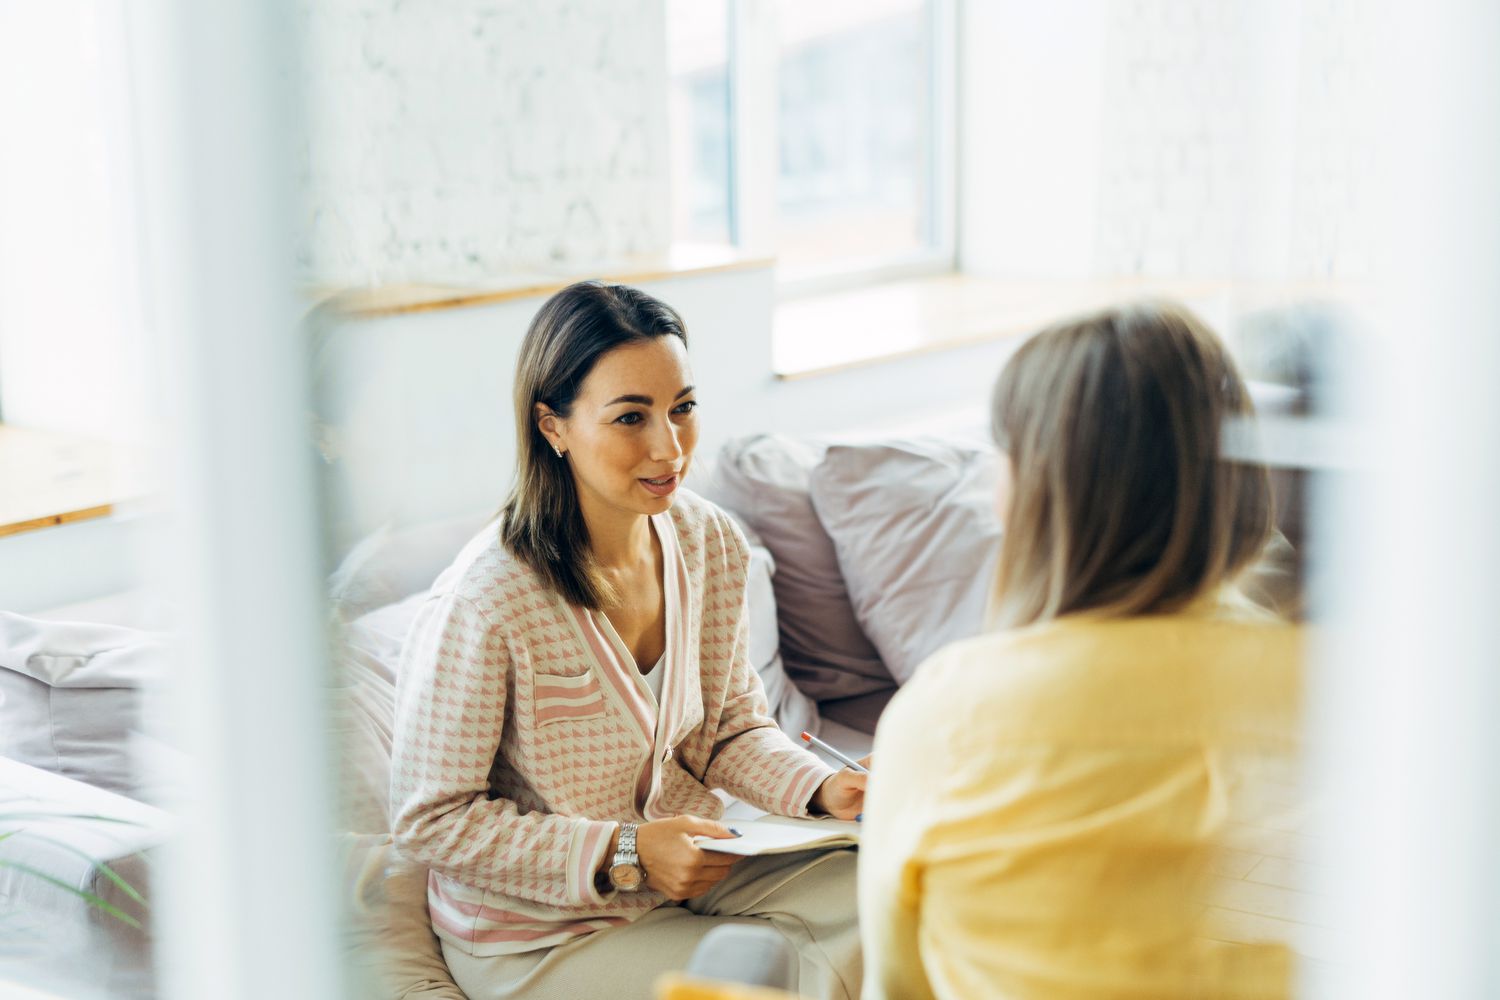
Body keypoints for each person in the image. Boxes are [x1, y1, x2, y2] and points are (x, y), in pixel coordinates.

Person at [390, 281, 867, 1000]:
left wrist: (827, 787)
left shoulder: (710, 543)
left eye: (683, 408)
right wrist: (627, 851)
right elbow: (431, 822)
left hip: (697, 869)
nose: (669, 447)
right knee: (781, 979)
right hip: (543, 931)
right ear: (553, 427)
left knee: (895, 897)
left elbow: (730, 729)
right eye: (630, 417)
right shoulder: (488, 602)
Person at [859, 303, 1304, 999]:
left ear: (1041, 487)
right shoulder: (1313, 689)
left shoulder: (953, 706)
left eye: (1002, 456)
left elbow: (897, 978)